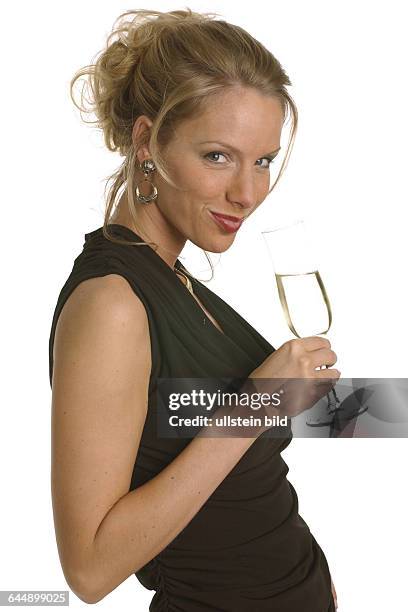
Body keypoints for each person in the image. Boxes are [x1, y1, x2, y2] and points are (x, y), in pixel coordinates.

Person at [48, 8, 340, 611]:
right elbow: (90, 569)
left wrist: (376, 408)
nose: (248, 192)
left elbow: (193, 430)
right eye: (217, 156)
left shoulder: (171, 280)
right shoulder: (112, 304)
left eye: (261, 160)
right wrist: (255, 403)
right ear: (146, 140)